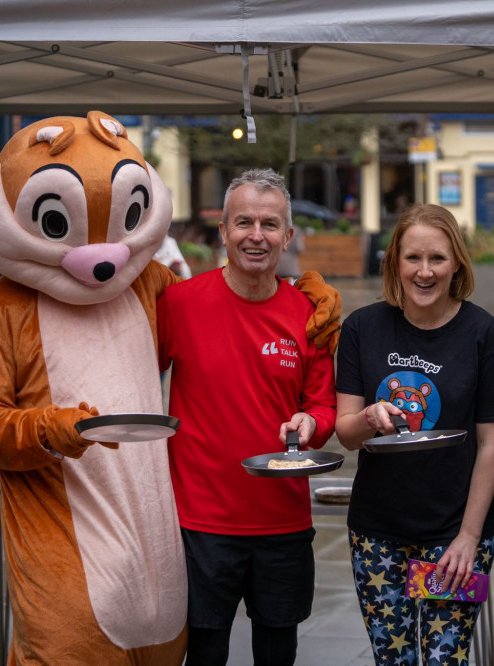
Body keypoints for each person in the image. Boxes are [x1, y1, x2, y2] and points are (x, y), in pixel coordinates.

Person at [157, 168, 337, 665]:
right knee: (205, 650)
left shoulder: (310, 314)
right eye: (243, 222)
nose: (256, 236)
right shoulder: (178, 304)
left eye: (269, 224)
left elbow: (322, 405)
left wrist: (311, 424)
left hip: (282, 520)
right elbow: (133, 379)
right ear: (223, 231)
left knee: (278, 649)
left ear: (288, 236)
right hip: (200, 522)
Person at [334, 204, 494, 665]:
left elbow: (492, 444)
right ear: (395, 261)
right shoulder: (362, 328)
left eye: (437, 258)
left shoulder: (484, 333)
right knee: (392, 659)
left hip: (454, 535)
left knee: (442, 660)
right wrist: (370, 416)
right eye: (413, 258)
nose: (425, 271)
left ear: (457, 262)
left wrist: (469, 537)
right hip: (377, 533)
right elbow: (346, 433)